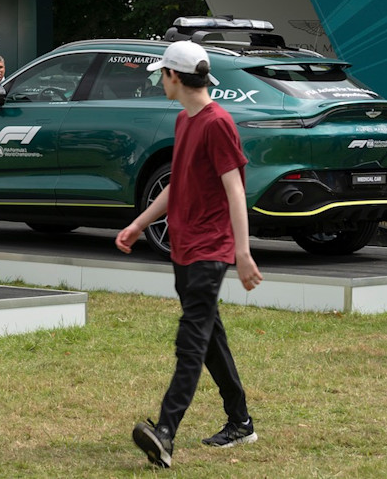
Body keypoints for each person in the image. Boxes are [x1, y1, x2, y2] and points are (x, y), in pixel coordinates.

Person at [116, 41, 262, 469]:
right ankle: (241, 422)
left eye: (162, 74)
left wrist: (242, 252)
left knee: (191, 341)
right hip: (184, 247)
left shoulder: (218, 123)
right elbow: (177, 183)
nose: (160, 81)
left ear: (174, 77)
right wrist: (140, 223)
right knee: (210, 336)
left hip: (208, 251)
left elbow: (235, 189)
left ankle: (164, 432)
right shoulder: (185, 121)